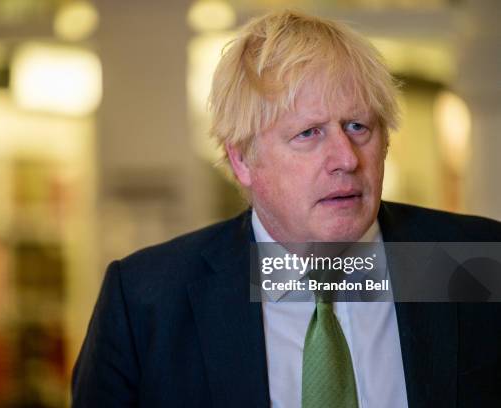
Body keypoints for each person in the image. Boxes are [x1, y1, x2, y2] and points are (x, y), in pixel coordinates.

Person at [72, 9, 501, 408]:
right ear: (241, 159)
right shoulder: (147, 304)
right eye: (309, 133)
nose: (346, 158)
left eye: (358, 126)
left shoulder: (480, 261)